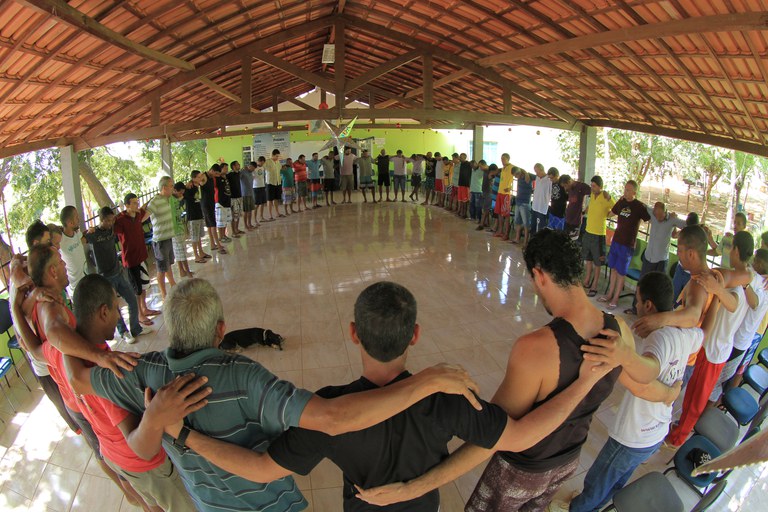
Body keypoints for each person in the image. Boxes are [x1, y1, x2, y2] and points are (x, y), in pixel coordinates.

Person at [159, 281, 617, 512]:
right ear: (415, 335)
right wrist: (582, 383)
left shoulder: (328, 411)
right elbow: (517, 437)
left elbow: (260, 469)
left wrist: (184, 434)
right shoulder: (448, 398)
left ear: (353, 335)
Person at [74, 277, 483, 512]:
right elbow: (331, 418)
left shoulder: (140, 372)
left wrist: (56, 325)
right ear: (221, 330)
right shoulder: (249, 378)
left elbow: (77, 379)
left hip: (209, 505)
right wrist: (426, 382)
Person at [356, 230, 628, 512]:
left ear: (540, 275)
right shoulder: (619, 334)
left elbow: (492, 435)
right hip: (567, 462)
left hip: (523, 469)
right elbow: (651, 384)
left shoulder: (536, 348)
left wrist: (412, 488)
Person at [17, 244, 143, 503]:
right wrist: (101, 356)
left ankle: (132, 491)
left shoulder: (42, 298)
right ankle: (133, 494)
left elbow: (36, 349)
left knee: (103, 444)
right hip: (80, 395)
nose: (66, 265)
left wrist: (18, 311)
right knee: (106, 447)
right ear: (52, 270)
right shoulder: (49, 308)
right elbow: (53, 333)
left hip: (75, 395)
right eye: (61, 262)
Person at [569, 271, 702, 512]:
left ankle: (579, 509)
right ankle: (597, 504)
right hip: (655, 433)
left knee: (597, 481)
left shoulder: (658, 339)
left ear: (648, 305)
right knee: (617, 480)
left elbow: (644, 380)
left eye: (638, 301)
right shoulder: (686, 334)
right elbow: (701, 330)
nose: (636, 306)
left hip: (633, 435)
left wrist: (622, 357)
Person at [68, 274, 199, 511]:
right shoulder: (109, 372)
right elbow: (137, 442)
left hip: (111, 453)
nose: (120, 316)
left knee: (152, 504)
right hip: (141, 463)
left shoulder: (71, 354)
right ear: (103, 312)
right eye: (117, 310)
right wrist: (154, 414)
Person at [665, 230, 753, 447]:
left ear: (736, 251)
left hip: (715, 352)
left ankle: (677, 439)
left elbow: (732, 304)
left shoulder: (738, 289)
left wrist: (717, 290)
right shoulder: (736, 277)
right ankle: (680, 427)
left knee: (696, 400)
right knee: (691, 394)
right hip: (707, 346)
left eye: (730, 247)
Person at [84, 206, 149, 343]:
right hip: (106, 277)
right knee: (114, 306)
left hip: (118, 272)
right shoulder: (94, 234)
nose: (111, 223)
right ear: (101, 220)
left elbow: (123, 214)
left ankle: (135, 328)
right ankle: (123, 331)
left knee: (131, 299)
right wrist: (88, 231)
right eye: (107, 220)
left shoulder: (113, 228)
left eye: (112, 220)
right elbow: (81, 239)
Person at [625, 202, 687, 315]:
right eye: (656, 215)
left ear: (665, 212)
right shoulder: (652, 214)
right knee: (642, 283)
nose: (658, 218)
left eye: (660, 215)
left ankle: (655, 314)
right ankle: (635, 308)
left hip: (661, 259)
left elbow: (687, 224)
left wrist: (677, 217)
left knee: (658, 287)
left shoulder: (672, 220)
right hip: (649, 257)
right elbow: (643, 205)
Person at [599, 181, 650, 310]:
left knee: (621, 272)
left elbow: (649, 219)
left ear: (634, 192)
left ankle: (615, 298)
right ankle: (609, 294)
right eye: (625, 189)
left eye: (628, 190)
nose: (625, 192)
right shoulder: (621, 202)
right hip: (616, 240)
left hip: (627, 244)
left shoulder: (639, 206)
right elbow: (611, 213)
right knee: (613, 269)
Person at [113, 194, 161, 326]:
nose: (136, 205)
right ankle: (139, 314)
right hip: (131, 259)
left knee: (144, 285)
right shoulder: (121, 220)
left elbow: (146, 208)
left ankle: (144, 308)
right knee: (136, 289)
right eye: (133, 203)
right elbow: (112, 227)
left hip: (141, 256)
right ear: (127, 205)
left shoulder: (139, 215)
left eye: (137, 202)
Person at [728, 248, 768, 389]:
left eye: (755, 260)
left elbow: (755, 303)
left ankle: (715, 406)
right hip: (737, 336)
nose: (752, 262)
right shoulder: (756, 277)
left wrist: (745, 284)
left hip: (740, 341)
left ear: (759, 263)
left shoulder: (763, 286)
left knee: (725, 380)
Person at [145, 176, 183, 299]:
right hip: (160, 241)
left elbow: (180, 197)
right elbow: (144, 216)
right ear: (164, 187)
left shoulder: (169, 199)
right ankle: (163, 294)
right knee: (161, 268)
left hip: (168, 238)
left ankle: (173, 285)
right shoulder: (155, 201)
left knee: (168, 264)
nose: (173, 188)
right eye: (171, 186)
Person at [581, 176, 613, 298]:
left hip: (599, 234)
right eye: (591, 185)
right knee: (588, 259)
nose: (592, 188)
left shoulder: (605, 197)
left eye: (594, 186)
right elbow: (591, 208)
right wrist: (585, 211)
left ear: (600, 186)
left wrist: (607, 215)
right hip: (588, 232)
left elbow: (615, 209)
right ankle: (587, 279)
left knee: (597, 262)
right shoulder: (592, 196)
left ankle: (594, 285)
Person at [59, 205, 88, 297]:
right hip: (75, 288)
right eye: (76, 217)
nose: (79, 219)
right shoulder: (61, 240)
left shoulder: (77, 234)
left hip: (85, 280)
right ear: (70, 223)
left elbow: (83, 240)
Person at [181, 171, 210, 264]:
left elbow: (205, 180)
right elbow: (184, 197)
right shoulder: (189, 187)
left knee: (198, 236)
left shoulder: (198, 186)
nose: (201, 178)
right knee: (194, 237)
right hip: (192, 216)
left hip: (199, 214)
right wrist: (187, 186)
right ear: (193, 178)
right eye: (199, 177)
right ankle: (196, 256)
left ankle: (201, 252)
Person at [672, 212, 700, 302]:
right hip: (681, 269)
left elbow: (674, 235)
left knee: (683, 299)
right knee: (675, 296)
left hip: (691, 273)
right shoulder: (684, 232)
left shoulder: (697, 236)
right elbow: (674, 235)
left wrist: (674, 223)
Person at [200, 164, 224, 254]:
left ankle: (212, 244)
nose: (217, 176)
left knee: (210, 225)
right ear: (212, 171)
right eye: (216, 174)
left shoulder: (210, 177)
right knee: (213, 225)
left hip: (210, 202)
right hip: (206, 204)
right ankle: (218, 245)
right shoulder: (204, 176)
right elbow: (198, 181)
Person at [171, 182, 193, 279]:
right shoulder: (171, 200)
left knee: (179, 251)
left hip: (180, 227)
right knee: (181, 252)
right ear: (174, 190)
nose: (182, 195)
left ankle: (182, 271)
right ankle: (187, 271)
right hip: (175, 230)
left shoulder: (178, 200)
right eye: (180, 193)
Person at [560, 175, 590, 240]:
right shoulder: (570, 189)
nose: (565, 189)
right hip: (568, 219)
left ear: (569, 181)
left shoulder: (581, 187)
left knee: (573, 241)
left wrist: (585, 210)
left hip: (576, 221)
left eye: (565, 186)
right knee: (564, 240)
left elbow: (594, 194)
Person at [511, 166, 535, 246]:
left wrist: (534, 190)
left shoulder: (529, 176)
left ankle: (525, 241)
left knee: (526, 223)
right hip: (518, 201)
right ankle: (517, 238)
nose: (515, 177)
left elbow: (539, 178)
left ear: (519, 173)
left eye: (516, 175)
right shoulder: (521, 174)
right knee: (517, 221)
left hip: (525, 203)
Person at [493, 154, 514, 239]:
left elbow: (521, 171)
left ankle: (506, 233)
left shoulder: (511, 167)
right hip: (499, 193)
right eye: (501, 159)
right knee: (499, 213)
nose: (502, 161)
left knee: (506, 214)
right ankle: (500, 231)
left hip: (506, 194)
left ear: (508, 159)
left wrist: (510, 187)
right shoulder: (503, 168)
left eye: (504, 159)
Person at [214, 162, 234, 242]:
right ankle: (220, 236)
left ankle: (224, 235)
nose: (226, 170)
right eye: (225, 168)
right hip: (220, 202)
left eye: (227, 168)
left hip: (227, 202)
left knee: (225, 221)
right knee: (220, 221)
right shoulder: (217, 178)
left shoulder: (226, 178)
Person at [530, 163, 551, 235]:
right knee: (533, 227)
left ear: (541, 170)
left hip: (542, 208)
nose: (536, 173)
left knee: (540, 229)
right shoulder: (537, 178)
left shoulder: (549, 180)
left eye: (537, 171)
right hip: (535, 206)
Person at [227, 161, 245, 237]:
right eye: (238, 164)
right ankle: (233, 232)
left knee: (238, 215)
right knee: (234, 215)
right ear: (234, 166)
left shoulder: (238, 173)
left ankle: (237, 229)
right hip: (233, 197)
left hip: (239, 196)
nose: (239, 165)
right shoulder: (229, 174)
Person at [265, 149, 284, 218]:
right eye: (276, 156)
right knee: (269, 199)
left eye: (278, 156)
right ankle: (270, 215)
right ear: (272, 155)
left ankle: (277, 213)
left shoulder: (278, 162)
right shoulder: (267, 162)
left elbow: (280, 170)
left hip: (277, 182)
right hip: (270, 183)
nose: (277, 158)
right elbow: (261, 166)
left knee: (276, 199)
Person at [239, 162, 257, 230]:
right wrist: (241, 170)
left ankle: (250, 224)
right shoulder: (243, 172)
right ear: (249, 166)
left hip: (251, 193)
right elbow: (238, 177)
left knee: (250, 211)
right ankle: (246, 225)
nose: (253, 170)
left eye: (254, 169)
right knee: (246, 211)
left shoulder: (251, 173)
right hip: (245, 194)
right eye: (253, 168)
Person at [456, 153, 472, 218]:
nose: (460, 158)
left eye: (462, 157)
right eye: (460, 157)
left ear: (465, 158)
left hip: (466, 185)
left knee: (465, 201)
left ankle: (465, 214)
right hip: (460, 184)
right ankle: (461, 212)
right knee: (461, 200)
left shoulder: (468, 164)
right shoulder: (460, 164)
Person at [469, 160, 485, 224]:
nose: (472, 167)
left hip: (478, 191)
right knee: (472, 204)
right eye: (471, 166)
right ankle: (472, 217)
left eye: (473, 165)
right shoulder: (473, 170)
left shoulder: (481, 170)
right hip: (472, 190)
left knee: (478, 206)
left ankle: (479, 219)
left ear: (476, 164)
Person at [253, 156, 269, 222]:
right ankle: (255, 219)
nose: (262, 164)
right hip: (256, 187)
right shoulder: (254, 168)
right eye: (262, 162)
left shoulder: (263, 168)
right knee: (257, 204)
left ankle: (261, 217)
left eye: (263, 163)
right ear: (259, 161)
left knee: (262, 203)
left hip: (262, 186)